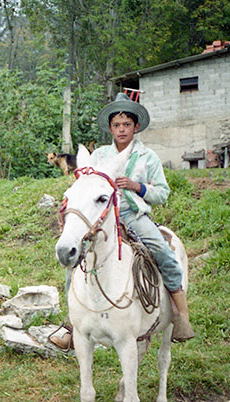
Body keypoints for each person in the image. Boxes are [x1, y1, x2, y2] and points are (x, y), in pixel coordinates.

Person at [50, 93, 195, 349]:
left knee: (162, 251)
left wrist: (137, 186)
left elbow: (162, 192)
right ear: (110, 128)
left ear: (136, 127)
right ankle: (73, 321)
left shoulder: (147, 157)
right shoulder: (100, 156)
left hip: (133, 216)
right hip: (100, 218)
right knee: (75, 256)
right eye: (116, 125)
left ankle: (180, 315)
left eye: (127, 125)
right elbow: (85, 185)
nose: (121, 130)